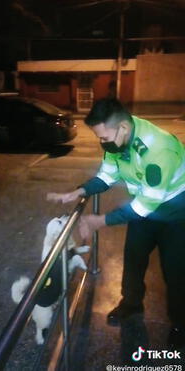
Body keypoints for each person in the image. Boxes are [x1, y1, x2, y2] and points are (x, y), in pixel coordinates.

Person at [46, 98, 185, 348]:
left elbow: (145, 206)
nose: (102, 142)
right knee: (133, 259)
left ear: (123, 127)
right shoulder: (116, 141)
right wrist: (78, 192)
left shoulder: (158, 150)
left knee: (176, 272)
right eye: (99, 138)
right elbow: (107, 176)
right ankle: (131, 305)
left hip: (176, 214)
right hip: (145, 208)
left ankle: (180, 323)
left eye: (103, 137)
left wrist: (100, 220)